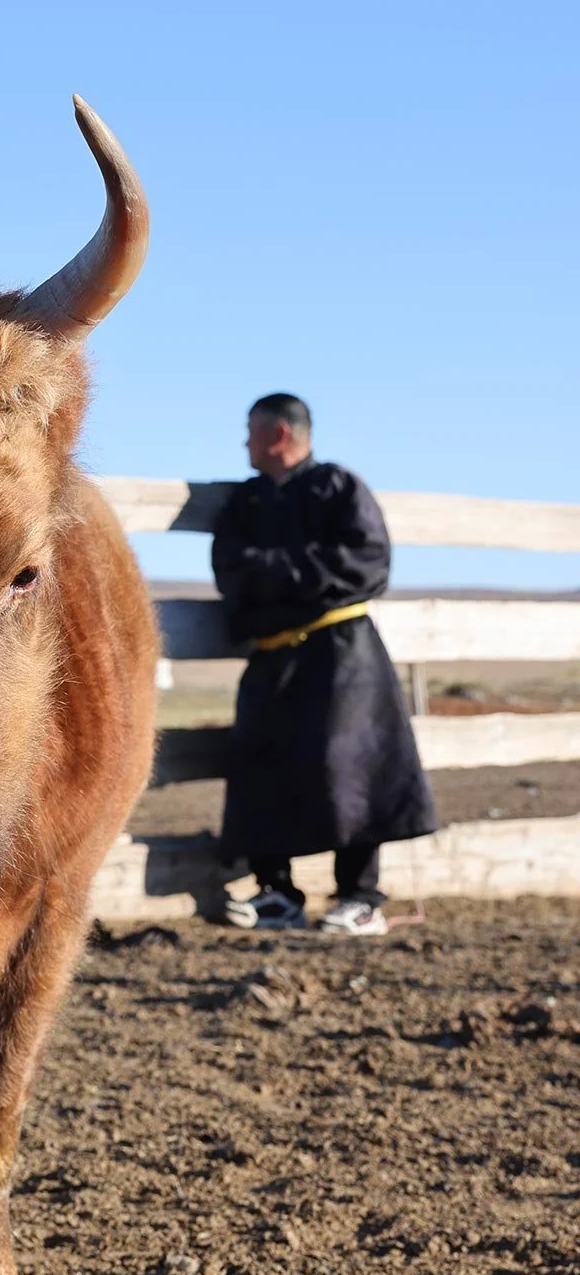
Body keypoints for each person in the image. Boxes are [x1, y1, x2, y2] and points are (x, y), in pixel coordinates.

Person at [210, 394, 437, 936]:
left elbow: (367, 564)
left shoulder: (339, 488)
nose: (244, 442)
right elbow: (231, 572)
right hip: (273, 655)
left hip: (342, 652)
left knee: (352, 768)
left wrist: (274, 574)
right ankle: (277, 895)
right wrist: (305, 579)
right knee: (262, 765)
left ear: (280, 434)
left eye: (251, 430)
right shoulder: (246, 502)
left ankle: (360, 899)